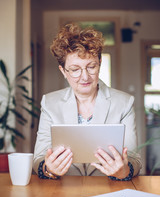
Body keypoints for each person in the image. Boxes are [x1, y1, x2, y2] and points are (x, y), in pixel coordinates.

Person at [33, 23, 141, 180]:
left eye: (91, 67)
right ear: (63, 71)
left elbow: (134, 159)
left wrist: (124, 170)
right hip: (63, 192)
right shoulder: (50, 103)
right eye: (75, 70)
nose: (85, 77)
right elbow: (38, 159)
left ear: (99, 64)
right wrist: (49, 169)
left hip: (108, 190)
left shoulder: (124, 102)